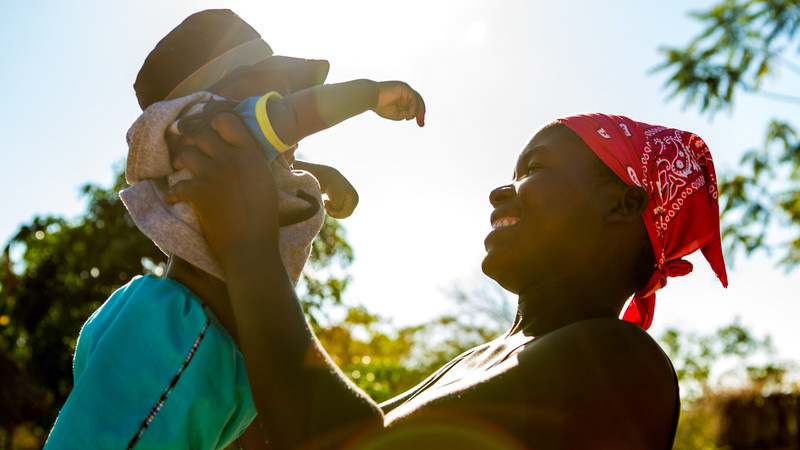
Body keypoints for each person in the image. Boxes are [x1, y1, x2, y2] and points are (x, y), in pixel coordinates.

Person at [165, 111, 728, 449]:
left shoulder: (622, 364)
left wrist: (247, 244)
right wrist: (204, 246)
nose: (500, 190)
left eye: (533, 169)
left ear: (621, 204)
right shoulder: (482, 359)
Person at [44, 9, 425, 449]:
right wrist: (369, 93)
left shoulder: (217, 144)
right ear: (219, 88)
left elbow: (280, 157)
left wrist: (327, 178)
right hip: (186, 330)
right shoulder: (210, 120)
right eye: (272, 84)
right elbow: (288, 119)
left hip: (208, 335)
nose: (285, 97)